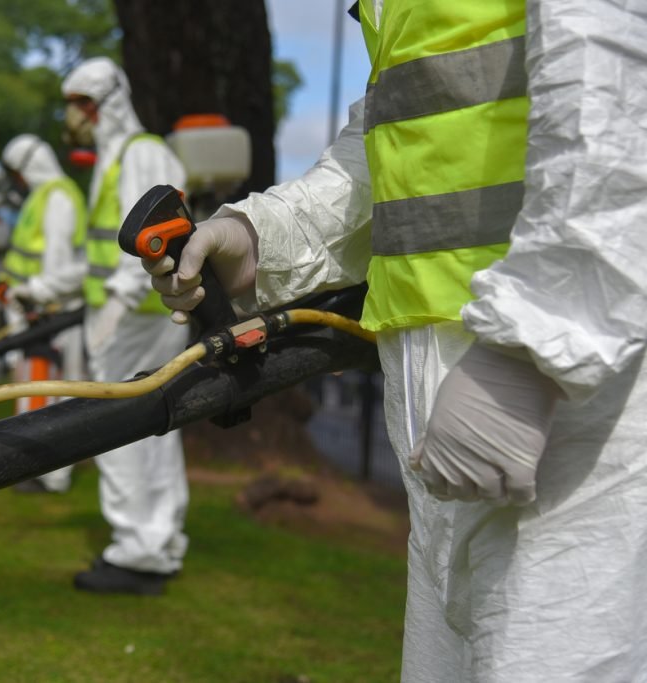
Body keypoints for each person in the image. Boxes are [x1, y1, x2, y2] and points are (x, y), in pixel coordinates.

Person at [141, 1, 647, 679]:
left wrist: (529, 346)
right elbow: (396, 139)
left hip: (568, 387)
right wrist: (261, 237)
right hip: (452, 384)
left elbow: (616, 93)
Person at [61, 57, 191, 595]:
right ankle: (157, 544)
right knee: (152, 428)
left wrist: (114, 307)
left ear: (107, 102)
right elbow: (104, 250)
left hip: (134, 318)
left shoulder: (140, 153)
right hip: (136, 316)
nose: (74, 116)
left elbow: (153, 237)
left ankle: (138, 552)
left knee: (119, 429)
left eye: (81, 104)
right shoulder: (119, 157)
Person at [0, 133, 88, 494]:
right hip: (36, 309)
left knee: (54, 393)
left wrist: (40, 297)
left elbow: (57, 261)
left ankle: (52, 475)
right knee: (37, 391)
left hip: (52, 313)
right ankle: (36, 469)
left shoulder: (58, 197)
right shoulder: (41, 198)